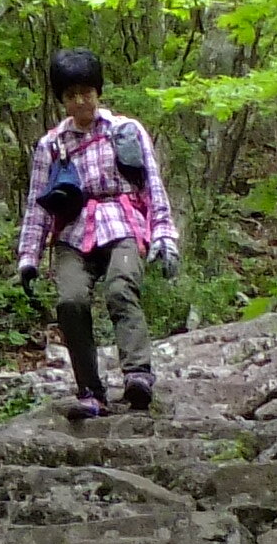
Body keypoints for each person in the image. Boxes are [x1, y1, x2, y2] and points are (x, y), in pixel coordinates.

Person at [16, 49, 179, 420]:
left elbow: (153, 186)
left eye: (86, 92)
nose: (80, 101)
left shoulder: (126, 132)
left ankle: (138, 374)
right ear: (62, 99)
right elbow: (37, 205)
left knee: (122, 288)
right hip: (73, 231)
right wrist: (28, 258)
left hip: (123, 222)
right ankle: (90, 390)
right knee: (71, 301)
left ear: (98, 92)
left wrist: (164, 236)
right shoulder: (51, 146)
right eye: (71, 95)